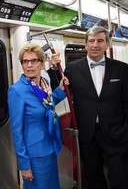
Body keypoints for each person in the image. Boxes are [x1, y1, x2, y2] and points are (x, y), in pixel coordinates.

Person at [48, 26, 128, 189]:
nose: (95, 45)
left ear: (107, 44)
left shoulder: (122, 69)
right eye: (91, 41)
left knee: (120, 176)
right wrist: (53, 68)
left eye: (100, 41)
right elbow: (60, 88)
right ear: (85, 45)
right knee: (93, 176)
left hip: (116, 132)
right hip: (87, 134)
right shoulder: (73, 68)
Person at [8, 43, 69, 189]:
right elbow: (16, 131)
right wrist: (24, 165)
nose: (29, 65)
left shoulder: (44, 83)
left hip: (50, 147)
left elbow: (47, 104)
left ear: (42, 64)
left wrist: (60, 89)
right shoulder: (17, 91)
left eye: (34, 61)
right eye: (25, 61)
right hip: (34, 155)